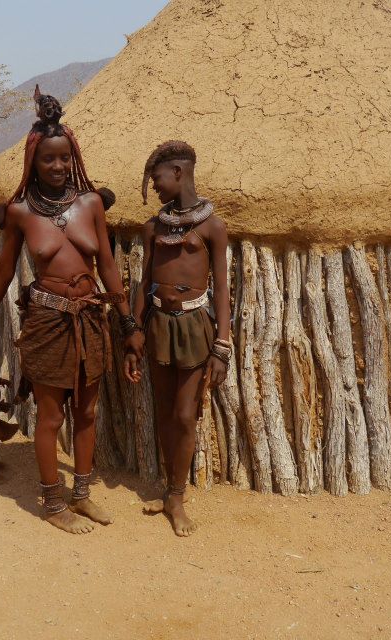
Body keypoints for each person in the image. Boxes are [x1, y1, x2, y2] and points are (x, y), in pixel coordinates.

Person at [0, 87, 145, 534]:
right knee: (51, 415)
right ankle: (53, 504)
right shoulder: (20, 212)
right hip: (48, 322)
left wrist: (127, 322)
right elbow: (4, 271)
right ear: (34, 161)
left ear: (75, 159)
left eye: (64, 158)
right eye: (49, 159)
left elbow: (107, 265)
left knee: (88, 412)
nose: (57, 166)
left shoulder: (90, 204)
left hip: (90, 318)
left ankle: (82, 495)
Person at [124, 140, 231, 537]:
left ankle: (177, 495)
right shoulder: (154, 227)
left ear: (179, 174)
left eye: (157, 179)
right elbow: (144, 279)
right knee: (165, 411)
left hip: (193, 327)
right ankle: (170, 493)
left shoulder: (212, 227)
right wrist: (134, 330)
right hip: (158, 326)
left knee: (186, 415)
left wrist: (222, 346)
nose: (154, 187)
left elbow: (222, 289)